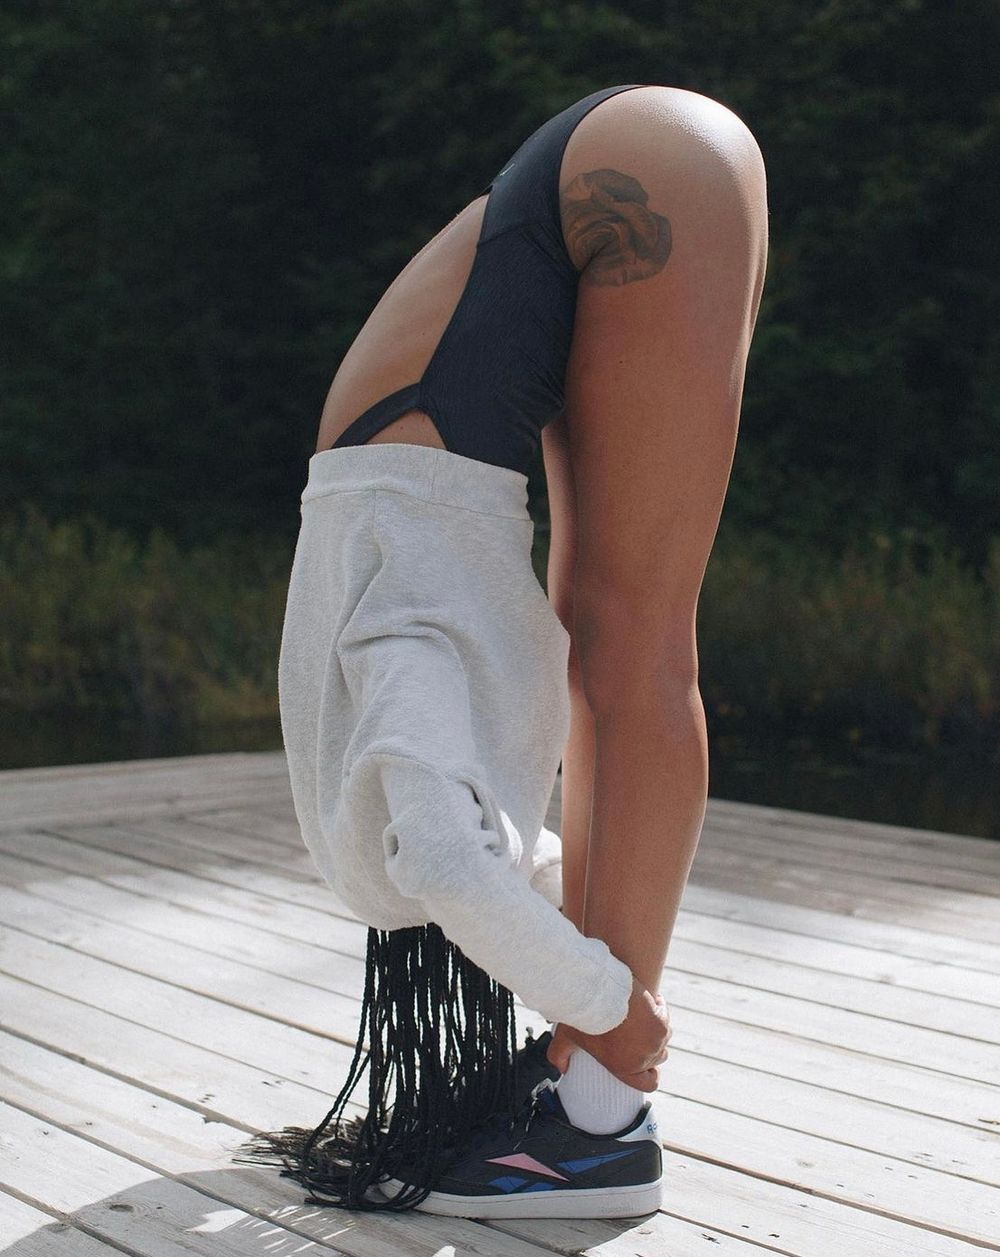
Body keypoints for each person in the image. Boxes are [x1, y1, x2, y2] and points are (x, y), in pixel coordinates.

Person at [235, 82, 768, 1219]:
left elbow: (451, 865)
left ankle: (604, 1118)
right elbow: (501, 861)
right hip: (582, 179)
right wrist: (581, 972)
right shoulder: (365, 713)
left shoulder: (400, 667)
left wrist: (611, 1008)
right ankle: (587, 1096)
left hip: (635, 172)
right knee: (597, 645)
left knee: (632, 650)